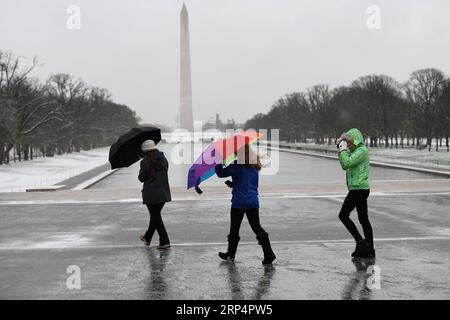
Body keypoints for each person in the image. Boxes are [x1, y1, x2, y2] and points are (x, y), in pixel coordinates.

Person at [214, 144, 276, 265]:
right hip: (253, 202)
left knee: (234, 230)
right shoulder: (254, 165)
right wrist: (234, 184)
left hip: (239, 203)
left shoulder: (236, 165)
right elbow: (251, 184)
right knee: (257, 228)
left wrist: (218, 161)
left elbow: (220, 173)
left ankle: (231, 255)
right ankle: (269, 253)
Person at [337, 128, 375, 258]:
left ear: (355, 140)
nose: (347, 145)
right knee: (363, 219)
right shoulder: (354, 152)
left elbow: (347, 163)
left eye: (348, 142)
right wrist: (341, 150)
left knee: (343, 215)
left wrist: (342, 150)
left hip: (359, 189)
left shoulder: (361, 151)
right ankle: (369, 249)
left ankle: (360, 242)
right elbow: (344, 165)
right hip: (358, 189)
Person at [138, 139, 171, 249]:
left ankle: (164, 241)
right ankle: (147, 238)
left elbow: (141, 178)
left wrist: (142, 167)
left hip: (151, 194)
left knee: (156, 217)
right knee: (155, 216)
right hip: (163, 193)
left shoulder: (144, 161)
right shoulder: (163, 159)